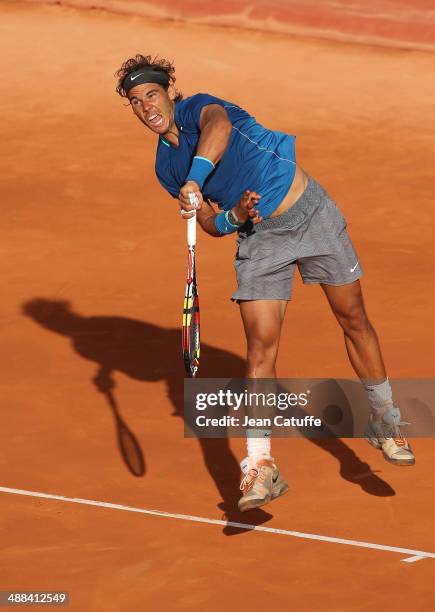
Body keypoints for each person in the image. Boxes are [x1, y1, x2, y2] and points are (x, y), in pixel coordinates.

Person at [115, 54, 415, 512]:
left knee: (353, 319)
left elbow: (219, 132)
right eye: (136, 102)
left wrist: (196, 180)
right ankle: (261, 464)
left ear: (169, 92)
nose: (146, 107)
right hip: (259, 238)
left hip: (311, 213)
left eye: (152, 95)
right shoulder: (165, 168)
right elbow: (213, 226)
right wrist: (234, 215)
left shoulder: (203, 108)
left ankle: (384, 418)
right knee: (260, 347)